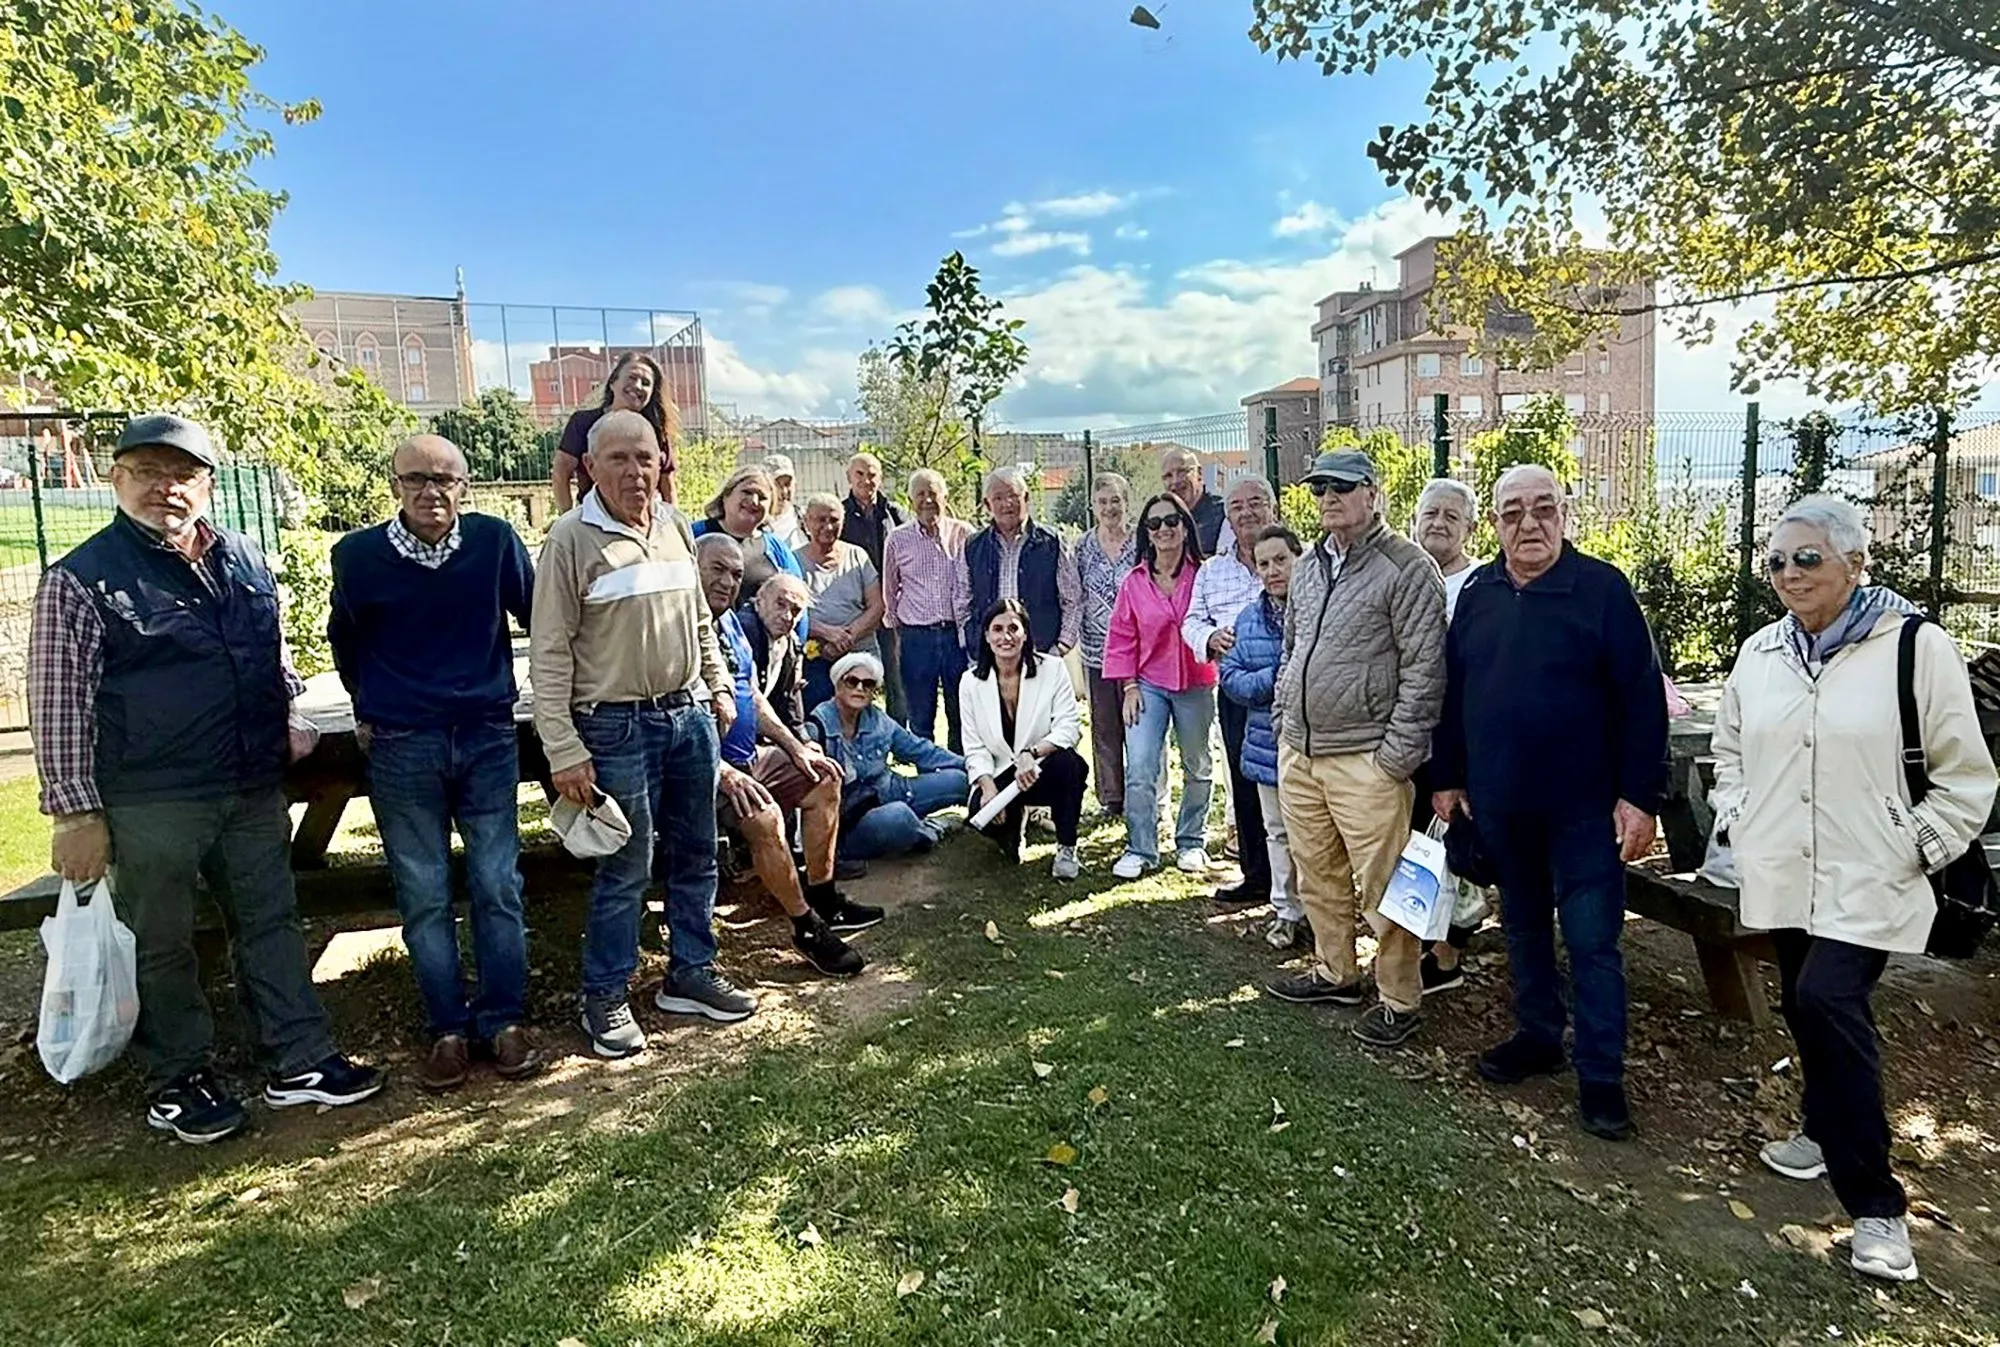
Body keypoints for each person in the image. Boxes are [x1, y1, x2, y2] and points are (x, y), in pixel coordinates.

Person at [29, 414, 382, 1143]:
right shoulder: (82, 580)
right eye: (149, 471)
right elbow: (58, 701)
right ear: (116, 478)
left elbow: (268, 649)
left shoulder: (243, 557)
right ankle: (178, 1075)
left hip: (250, 784)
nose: (168, 487)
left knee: (271, 921)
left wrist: (285, 709)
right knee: (159, 940)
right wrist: (74, 811)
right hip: (152, 798)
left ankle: (298, 1057)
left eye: (184, 473)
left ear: (208, 484)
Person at [1712, 496, 1995, 1282]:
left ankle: (1877, 1207)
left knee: (1830, 999)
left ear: (1855, 563)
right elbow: (1730, 746)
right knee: (1806, 994)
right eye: (1777, 560)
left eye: (1808, 557)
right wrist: (1738, 815)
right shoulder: (1761, 652)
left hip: (1871, 875)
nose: (1789, 574)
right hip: (1785, 870)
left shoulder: (1913, 646)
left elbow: (1967, 773)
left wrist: (1915, 846)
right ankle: (1816, 1127)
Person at [1429, 464, 1667, 1141]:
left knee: (1593, 942)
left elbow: (1642, 700)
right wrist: (1447, 776)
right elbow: (1453, 692)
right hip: (1503, 804)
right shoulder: (1478, 590)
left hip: (1587, 810)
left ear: (1564, 513)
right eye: (1512, 513)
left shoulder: (1602, 590)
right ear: (1496, 524)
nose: (1528, 524)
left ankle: (1601, 1075)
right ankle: (1538, 1035)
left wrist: (1639, 796)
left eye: (1542, 509)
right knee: (1526, 928)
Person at [530, 409, 753, 1057]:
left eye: (646, 458)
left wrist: (715, 684)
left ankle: (689, 971)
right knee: (626, 866)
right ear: (591, 466)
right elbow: (548, 654)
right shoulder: (570, 539)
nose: (635, 471)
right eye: (620, 459)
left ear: (662, 463)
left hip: (688, 716)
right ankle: (604, 994)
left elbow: (700, 619)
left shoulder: (677, 526)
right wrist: (564, 748)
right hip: (614, 724)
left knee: (697, 852)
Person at [328, 435, 540, 1092]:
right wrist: (371, 706)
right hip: (402, 741)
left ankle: (503, 1018)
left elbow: (537, 615)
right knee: (422, 891)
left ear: (466, 484)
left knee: (496, 880)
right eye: (417, 478)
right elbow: (347, 640)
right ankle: (447, 1026)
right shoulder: (357, 556)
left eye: (446, 479)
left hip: (484, 732)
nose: (432, 491)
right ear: (394, 483)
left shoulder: (493, 542)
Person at [1264, 449, 1446, 1052]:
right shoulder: (1311, 565)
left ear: (1372, 492)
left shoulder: (1407, 567)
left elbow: (1426, 669)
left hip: (1367, 758)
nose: (1329, 499)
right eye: (1320, 489)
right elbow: (1292, 647)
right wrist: (1283, 714)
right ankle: (1335, 972)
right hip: (1302, 751)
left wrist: (1394, 758)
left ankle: (1400, 997)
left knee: (1388, 884)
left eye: (1342, 487)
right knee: (1317, 871)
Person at [697, 538, 875, 975]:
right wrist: (722, 771)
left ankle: (824, 897)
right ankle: (805, 926)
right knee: (765, 816)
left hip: (747, 759)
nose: (726, 582)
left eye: (735, 575)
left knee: (824, 776)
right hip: (702, 770)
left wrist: (796, 749)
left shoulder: (730, 629)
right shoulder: (682, 628)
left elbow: (752, 696)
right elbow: (678, 713)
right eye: (716, 570)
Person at [1104, 492, 1217, 880]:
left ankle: (1191, 841)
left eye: (1172, 521)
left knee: (1198, 764)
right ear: (1146, 533)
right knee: (1140, 765)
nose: (1164, 529)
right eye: (1155, 524)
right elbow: (1122, 637)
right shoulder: (1133, 583)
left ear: (1185, 528)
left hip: (1196, 682)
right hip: (1148, 684)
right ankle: (1140, 848)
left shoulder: (1205, 574)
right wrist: (1130, 687)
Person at [1185, 478, 1279, 907]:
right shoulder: (1212, 569)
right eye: (1237, 506)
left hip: (1289, 691)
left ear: (1273, 507)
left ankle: (1296, 886)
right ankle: (1257, 875)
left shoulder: (1295, 559)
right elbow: (1190, 621)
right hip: (1238, 692)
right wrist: (1208, 638)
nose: (1246, 513)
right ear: (1228, 517)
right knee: (1244, 781)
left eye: (1256, 503)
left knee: (1294, 787)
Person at [1410, 477, 1488, 994]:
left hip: (1462, 736)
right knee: (1415, 844)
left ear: (1470, 528)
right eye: (1429, 514)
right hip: (1408, 734)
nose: (1438, 523)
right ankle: (1419, 942)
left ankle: (1449, 952)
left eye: (1450, 516)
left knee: (1457, 844)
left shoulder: (1484, 585)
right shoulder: (1401, 574)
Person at [1220, 526, 1310, 950]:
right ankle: (1286, 911)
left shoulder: (1321, 608)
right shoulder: (1249, 618)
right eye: (1264, 564)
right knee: (1277, 831)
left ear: (1299, 558)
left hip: (1319, 743)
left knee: (1318, 836)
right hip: (1267, 745)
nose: (1273, 571)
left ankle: (1325, 915)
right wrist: (1274, 679)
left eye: (1281, 560)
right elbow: (1231, 678)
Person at [958, 600, 1089, 880]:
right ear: (986, 635)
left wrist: (1032, 753)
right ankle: (1013, 828)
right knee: (979, 816)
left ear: (1026, 633)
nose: (1006, 637)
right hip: (1001, 774)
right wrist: (988, 788)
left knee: (1071, 765)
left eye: (1013, 628)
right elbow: (974, 745)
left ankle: (1066, 847)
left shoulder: (1052, 669)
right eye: (997, 629)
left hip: (1042, 767)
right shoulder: (969, 682)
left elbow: (1069, 726)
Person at [809, 651, 969, 860]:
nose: (859, 688)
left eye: (867, 684)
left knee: (961, 780)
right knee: (898, 817)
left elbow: (922, 751)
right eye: (852, 681)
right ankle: (930, 829)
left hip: (892, 790)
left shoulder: (878, 720)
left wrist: (976, 767)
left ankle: (1002, 820)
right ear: (837, 684)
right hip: (851, 817)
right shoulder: (817, 727)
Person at [881, 468, 972, 752]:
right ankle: (928, 779)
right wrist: (900, 637)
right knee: (920, 715)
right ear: (910, 500)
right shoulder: (897, 539)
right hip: (916, 637)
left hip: (956, 636)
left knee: (960, 712)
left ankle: (960, 773)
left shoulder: (964, 534)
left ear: (945, 496)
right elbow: (890, 591)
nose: (927, 500)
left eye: (933, 493)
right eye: (920, 494)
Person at [963, 465, 1081, 659]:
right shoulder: (973, 546)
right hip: (989, 655)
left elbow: (1073, 599)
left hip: (1040, 653)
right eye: (998, 498)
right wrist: (972, 643)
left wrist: (1060, 647)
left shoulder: (1052, 542)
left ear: (1026, 498)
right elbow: (962, 602)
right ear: (987, 504)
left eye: (1013, 496)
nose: (1007, 503)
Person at [1076, 472, 1136, 819]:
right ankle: (1111, 800)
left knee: (1140, 726)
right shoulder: (1083, 546)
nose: (1110, 508)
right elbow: (1075, 592)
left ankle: (1146, 797)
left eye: (1116, 500)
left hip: (1136, 654)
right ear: (1093, 507)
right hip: (1097, 652)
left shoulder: (1140, 542)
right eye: (1102, 502)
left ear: (1126, 504)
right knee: (1104, 727)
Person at [553, 352, 678, 511]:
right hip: (595, 518)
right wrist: (568, 518)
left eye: (646, 383)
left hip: (644, 517)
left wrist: (672, 523)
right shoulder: (583, 423)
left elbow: (667, 483)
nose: (638, 386)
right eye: (632, 378)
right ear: (613, 383)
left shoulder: (655, 431)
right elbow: (561, 472)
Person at [692, 465, 809, 635]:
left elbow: (798, 602)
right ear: (726, 495)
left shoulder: (776, 549)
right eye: (747, 492)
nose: (754, 501)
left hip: (759, 653)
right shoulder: (693, 535)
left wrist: (796, 649)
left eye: (762, 497)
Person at [797, 492, 885, 711]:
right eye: (821, 520)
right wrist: (827, 634)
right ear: (806, 522)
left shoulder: (858, 556)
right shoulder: (793, 561)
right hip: (815, 652)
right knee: (817, 716)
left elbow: (877, 605)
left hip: (859, 650)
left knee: (860, 718)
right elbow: (793, 612)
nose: (828, 526)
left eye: (834, 520)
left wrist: (847, 637)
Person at [841, 451, 911, 721]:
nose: (866, 480)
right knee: (859, 672)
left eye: (872, 475)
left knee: (896, 674)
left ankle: (899, 732)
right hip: (857, 608)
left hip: (892, 607)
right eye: (860, 474)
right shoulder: (841, 514)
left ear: (880, 478)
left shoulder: (894, 514)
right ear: (849, 477)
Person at [1160, 446, 1232, 557]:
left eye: (1182, 471)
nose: (1175, 481)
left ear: (1200, 473)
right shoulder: (1162, 521)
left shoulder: (1223, 513)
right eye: (1168, 476)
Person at [764, 454, 809, 550]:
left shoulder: (805, 520)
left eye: (787, 484)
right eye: (777, 485)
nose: (784, 491)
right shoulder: (755, 524)